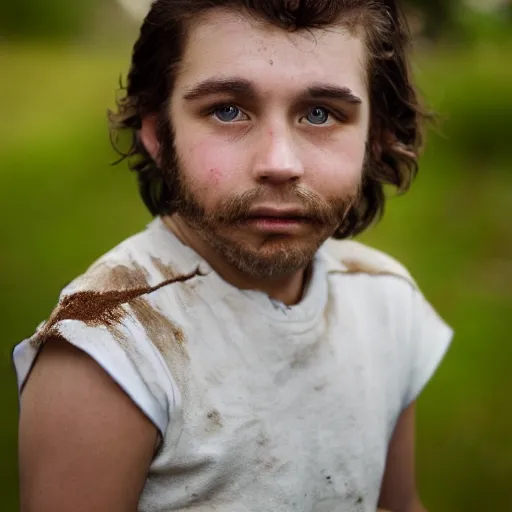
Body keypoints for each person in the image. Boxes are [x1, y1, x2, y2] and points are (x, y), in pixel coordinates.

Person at [13, 1, 453, 511]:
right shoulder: (112, 352)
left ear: (375, 139)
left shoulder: (385, 301)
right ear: (159, 134)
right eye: (227, 110)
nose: (278, 164)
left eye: (320, 114)